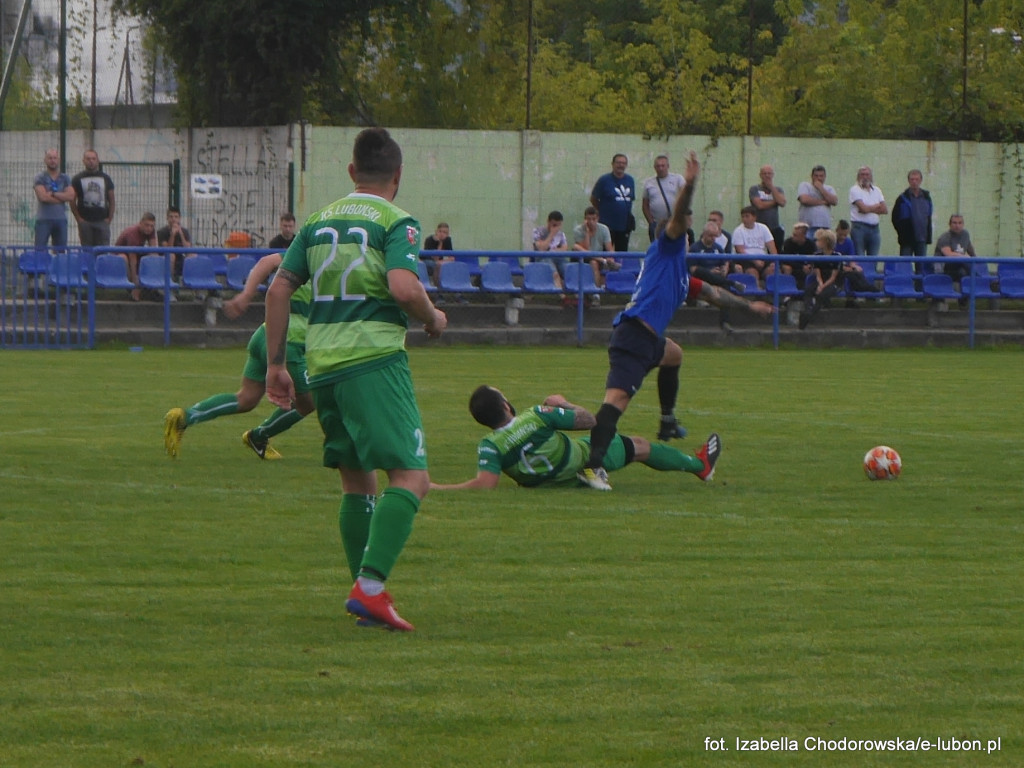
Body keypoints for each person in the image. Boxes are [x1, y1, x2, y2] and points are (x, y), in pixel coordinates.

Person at [264, 127, 447, 632]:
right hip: (373, 360)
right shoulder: (397, 221)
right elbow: (403, 287)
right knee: (412, 477)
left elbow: (279, 290)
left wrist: (275, 365)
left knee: (356, 481)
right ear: (398, 175)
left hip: (322, 366)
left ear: (351, 172)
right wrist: (432, 319)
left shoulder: (319, 220)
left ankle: (364, 595)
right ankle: (369, 588)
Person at [577, 151, 774, 492]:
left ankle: (667, 420)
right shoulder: (665, 250)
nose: (686, 233)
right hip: (634, 334)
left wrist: (750, 308)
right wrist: (691, 183)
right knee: (615, 402)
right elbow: (679, 216)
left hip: (649, 339)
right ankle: (593, 469)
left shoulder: (681, 273)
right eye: (681, 229)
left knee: (674, 354)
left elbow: (715, 295)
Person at [163, 252, 313, 460]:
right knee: (309, 401)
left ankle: (184, 417)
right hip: (289, 341)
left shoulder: (303, 255)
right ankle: (259, 435)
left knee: (246, 398)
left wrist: (246, 294)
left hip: (264, 334)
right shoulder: (316, 259)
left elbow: (265, 262)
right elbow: (266, 262)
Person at [429, 388, 719, 490]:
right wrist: (561, 402)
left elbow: (485, 485)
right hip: (581, 462)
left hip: (546, 483)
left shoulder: (490, 445)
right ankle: (699, 465)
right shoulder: (538, 415)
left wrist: (437, 487)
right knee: (639, 445)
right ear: (506, 406)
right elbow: (589, 420)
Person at [688, 222, 738, 333]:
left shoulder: (718, 248)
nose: (713, 239)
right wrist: (709, 271)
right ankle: (731, 282)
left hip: (717, 278)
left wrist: (724, 269)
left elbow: (724, 262)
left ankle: (725, 322)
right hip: (701, 278)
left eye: (715, 236)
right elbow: (692, 269)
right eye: (711, 236)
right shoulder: (695, 248)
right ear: (704, 234)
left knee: (725, 288)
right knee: (701, 271)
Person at [590, 153, 636, 252]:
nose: (621, 165)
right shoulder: (604, 180)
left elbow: (631, 199)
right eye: (618, 162)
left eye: (623, 163)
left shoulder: (630, 180)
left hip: (624, 225)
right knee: (605, 254)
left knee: (622, 253)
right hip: (607, 225)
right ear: (612, 164)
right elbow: (593, 199)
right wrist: (602, 211)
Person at [799, 228, 842, 330]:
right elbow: (818, 273)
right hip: (821, 280)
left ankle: (809, 316)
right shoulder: (817, 255)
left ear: (826, 242)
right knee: (809, 290)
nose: (817, 242)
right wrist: (820, 284)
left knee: (822, 295)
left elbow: (833, 277)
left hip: (831, 282)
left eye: (819, 240)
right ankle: (808, 310)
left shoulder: (837, 256)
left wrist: (823, 286)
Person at [70, 149, 115, 247]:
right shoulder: (77, 179)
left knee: (103, 250)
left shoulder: (105, 178)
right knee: (87, 252)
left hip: (102, 221)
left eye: (93, 159)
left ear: (97, 160)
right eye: (88, 159)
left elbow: (111, 199)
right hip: (85, 222)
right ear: (83, 161)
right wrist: (79, 219)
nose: (91, 161)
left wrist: (109, 218)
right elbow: (72, 200)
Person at [891, 169, 933, 273]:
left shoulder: (927, 197)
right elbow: (895, 218)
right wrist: (903, 232)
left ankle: (919, 288)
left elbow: (928, 216)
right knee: (904, 266)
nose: (914, 181)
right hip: (906, 240)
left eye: (916, 179)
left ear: (921, 180)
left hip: (922, 238)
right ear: (909, 181)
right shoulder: (902, 198)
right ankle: (905, 287)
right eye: (912, 179)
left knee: (921, 267)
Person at [572, 206, 619, 299]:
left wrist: (610, 258)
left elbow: (609, 248)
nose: (591, 222)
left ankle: (595, 293)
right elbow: (586, 248)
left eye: (594, 219)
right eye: (588, 219)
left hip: (598, 258)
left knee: (594, 263)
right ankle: (595, 292)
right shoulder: (578, 230)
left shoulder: (604, 229)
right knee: (576, 247)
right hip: (582, 257)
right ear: (585, 219)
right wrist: (587, 233)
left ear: (598, 219)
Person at [33, 148, 75, 249]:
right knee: (40, 251)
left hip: (61, 220)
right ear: (45, 160)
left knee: (60, 252)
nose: (52, 160)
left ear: (59, 160)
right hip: (43, 220)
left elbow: (71, 196)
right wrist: (62, 198)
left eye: (55, 158)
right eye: (50, 158)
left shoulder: (65, 178)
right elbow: (42, 197)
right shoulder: (40, 177)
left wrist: (53, 194)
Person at [935, 214, 977, 307]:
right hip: (945, 267)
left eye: (960, 223)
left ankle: (963, 301)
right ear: (950, 224)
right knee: (965, 264)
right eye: (954, 223)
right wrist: (964, 257)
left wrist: (972, 258)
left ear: (963, 224)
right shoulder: (945, 237)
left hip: (960, 268)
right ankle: (980, 279)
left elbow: (971, 252)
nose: (957, 225)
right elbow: (948, 254)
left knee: (963, 272)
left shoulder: (965, 235)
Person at [642, 155, 686, 242]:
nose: (660, 168)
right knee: (658, 247)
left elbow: (685, 198)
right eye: (658, 166)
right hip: (657, 224)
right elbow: (645, 205)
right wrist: (651, 222)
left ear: (668, 166)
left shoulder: (677, 179)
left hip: (675, 223)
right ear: (654, 167)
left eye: (663, 166)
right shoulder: (649, 183)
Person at [115, 212, 158, 301]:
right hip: (118, 259)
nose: (149, 228)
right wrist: (135, 282)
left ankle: (154, 285)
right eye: (147, 225)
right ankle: (131, 286)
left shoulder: (151, 231)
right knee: (124, 258)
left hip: (136, 256)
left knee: (152, 256)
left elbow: (153, 251)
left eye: (151, 226)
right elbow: (132, 259)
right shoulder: (133, 233)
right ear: (140, 223)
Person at [732, 205, 778, 282]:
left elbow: (771, 247)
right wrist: (755, 261)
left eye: (747, 216)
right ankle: (756, 291)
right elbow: (740, 250)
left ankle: (774, 292)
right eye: (743, 217)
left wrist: (774, 261)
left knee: (773, 271)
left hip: (763, 258)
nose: (744, 219)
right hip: (747, 260)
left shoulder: (763, 228)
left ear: (754, 217)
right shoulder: (738, 231)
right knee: (752, 273)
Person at [849, 166, 888, 256]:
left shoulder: (877, 190)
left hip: (875, 229)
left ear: (871, 176)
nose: (865, 177)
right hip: (859, 228)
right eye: (862, 174)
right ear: (858, 176)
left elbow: (884, 210)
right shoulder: (855, 189)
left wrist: (867, 209)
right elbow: (863, 209)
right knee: (860, 256)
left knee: (874, 257)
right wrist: (876, 206)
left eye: (867, 174)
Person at [748, 164, 787, 251]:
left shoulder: (778, 189)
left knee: (776, 251)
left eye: (769, 173)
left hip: (774, 228)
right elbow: (759, 205)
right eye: (764, 173)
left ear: (773, 175)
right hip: (758, 227)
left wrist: (771, 187)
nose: (767, 176)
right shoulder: (755, 189)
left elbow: (782, 202)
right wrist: (775, 201)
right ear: (760, 175)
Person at [795, 165, 837, 236]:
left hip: (824, 227)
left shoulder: (829, 188)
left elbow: (834, 201)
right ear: (812, 176)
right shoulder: (805, 185)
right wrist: (824, 202)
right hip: (807, 226)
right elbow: (804, 200)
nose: (818, 178)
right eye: (816, 176)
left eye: (821, 176)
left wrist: (821, 188)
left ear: (825, 177)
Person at [532, 210, 569, 290]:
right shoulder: (538, 231)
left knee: (569, 272)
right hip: (543, 258)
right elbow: (541, 248)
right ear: (548, 222)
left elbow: (565, 248)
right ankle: (561, 296)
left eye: (558, 225)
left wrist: (553, 250)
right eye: (554, 225)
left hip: (558, 258)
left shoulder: (561, 234)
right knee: (554, 273)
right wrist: (552, 234)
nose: (556, 228)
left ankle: (578, 296)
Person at [157, 206, 192, 281]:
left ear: (179, 218)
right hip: (165, 260)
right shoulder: (161, 232)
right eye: (171, 217)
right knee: (171, 256)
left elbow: (188, 249)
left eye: (176, 217)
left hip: (181, 259)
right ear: (167, 218)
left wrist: (181, 234)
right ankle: (169, 284)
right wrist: (172, 234)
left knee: (193, 256)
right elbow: (167, 250)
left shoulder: (184, 231)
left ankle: (197, 289)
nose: (173, 219)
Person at [422, 221, 453, 286]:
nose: (442, 234)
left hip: (439, 262)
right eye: (440, 231)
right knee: (434, 265)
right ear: (436, 231)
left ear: (448, 234)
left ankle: (453, 289)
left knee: (451, 267)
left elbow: (452, 258)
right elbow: (435, 258)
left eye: (445, 232)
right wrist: (440, 243)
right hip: (427, 262)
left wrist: (442, 262)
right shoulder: (429, 240)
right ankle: (437, 286)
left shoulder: (448, 240)